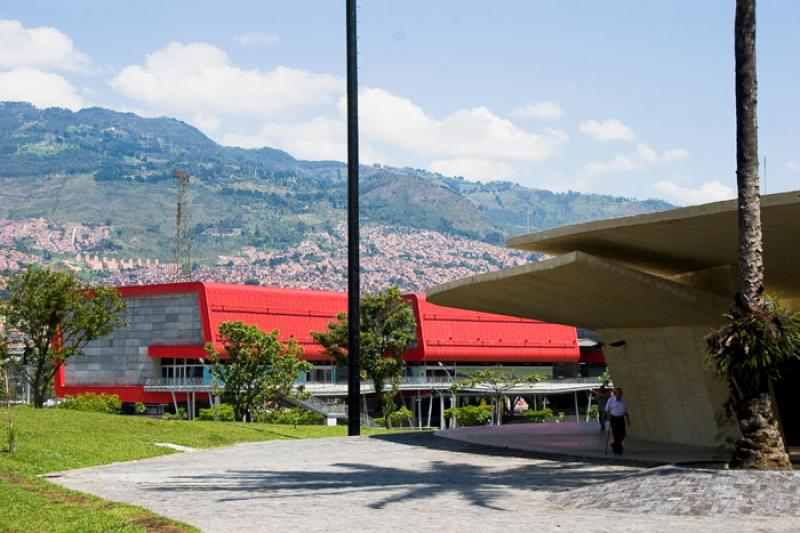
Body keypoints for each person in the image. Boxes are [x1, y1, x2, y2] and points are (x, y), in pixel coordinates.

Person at [604, 387, 630, 454]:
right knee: (616, 434)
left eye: (620, 393)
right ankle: (618, 449)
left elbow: (626, 412)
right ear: (615, 394)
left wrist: (628, 420)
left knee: (623, 434)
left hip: (621, 419)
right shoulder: (610, 400)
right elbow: (607, 410)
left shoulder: (623, 401)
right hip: (614, 418)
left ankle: (614, 444)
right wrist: (608, 417)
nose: (620, 395)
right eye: (618, 393)